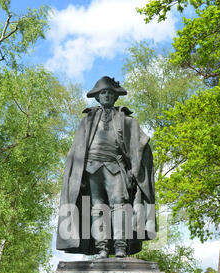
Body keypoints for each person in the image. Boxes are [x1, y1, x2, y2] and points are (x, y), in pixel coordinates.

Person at [56, 76, 156, 258]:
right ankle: (101, 247)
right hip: (91, 169)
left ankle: (120, 246)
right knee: (97, 207)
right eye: (103, 93)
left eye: (110, 93)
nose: (107, 96)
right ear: (97, 97)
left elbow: (139, 144)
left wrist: (135, 168)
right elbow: (77, 150)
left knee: (119, 204)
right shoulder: (87, 121)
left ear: (115, 97)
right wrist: (78, 176)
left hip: (115, 166)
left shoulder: (126, 120)